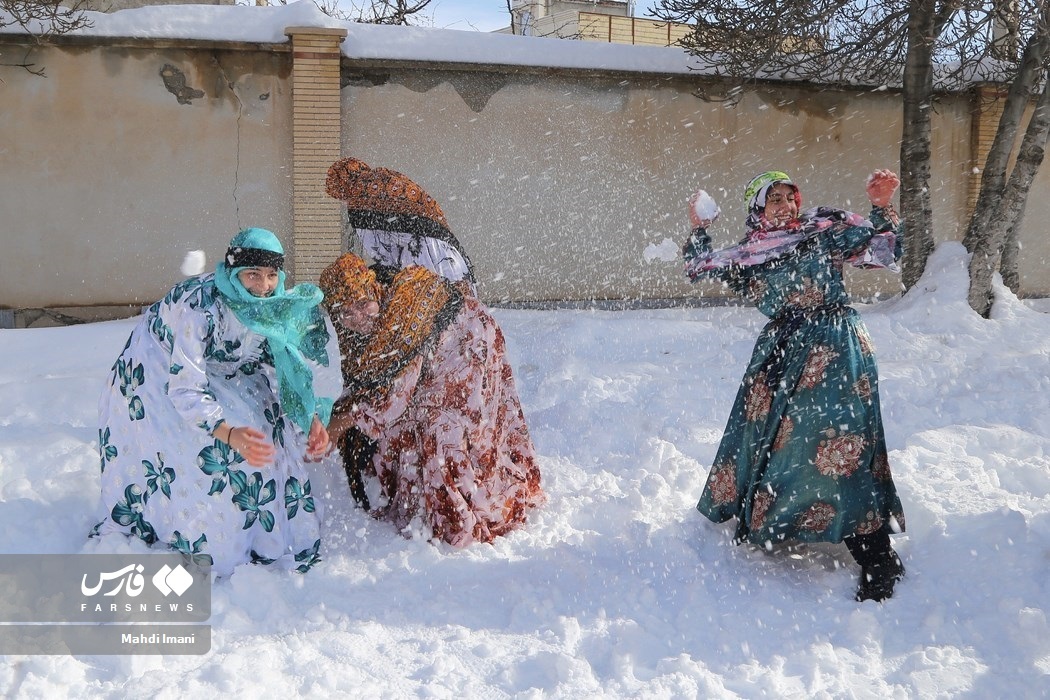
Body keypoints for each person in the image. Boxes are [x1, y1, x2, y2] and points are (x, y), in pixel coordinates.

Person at [682, 170, 907, 602]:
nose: (785, 207)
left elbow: (880, 252)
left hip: (837, 346)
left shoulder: (820, 233)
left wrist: (881, 206)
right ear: (758, 211)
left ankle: (876, 553)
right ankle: (788, 518)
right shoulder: (752, 254)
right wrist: (699, 228)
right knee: (786, 442)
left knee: (844, 443)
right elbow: (698, 267)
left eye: (789, 197)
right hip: (783, 354)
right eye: (774, 201)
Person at [92, 227, 341, 577]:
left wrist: (310, 416)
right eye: (252, 274)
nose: (263, 286)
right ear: (233, 272)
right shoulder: (201, 309)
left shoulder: (271, 304)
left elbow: (286, 366)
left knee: (272, 430)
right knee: (215, 454)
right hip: (156, 373)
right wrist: (227, 431)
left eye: (272, 275)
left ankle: (265, 541)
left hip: (224, 367)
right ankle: (211, 538)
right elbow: (185, 388)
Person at [318, 253, 543, 547]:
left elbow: (391, 400)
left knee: (440, 427)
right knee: (406, 423)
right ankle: (420, 493)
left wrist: (341, 424)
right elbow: (367, 382)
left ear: (374, 291)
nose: (358, 318)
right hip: (434, 349)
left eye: (363, 304)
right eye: (347, 313)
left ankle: (460, 512)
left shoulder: (401, 319)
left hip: (468, 341)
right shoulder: (362, 328)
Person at [324, 157, 476, 293]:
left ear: (341, 186)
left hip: (420, 258)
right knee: (460, 306)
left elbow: (380, 249)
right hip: (446, 250)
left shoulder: (358, 198)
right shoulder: (383, 177)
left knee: (429, 308)